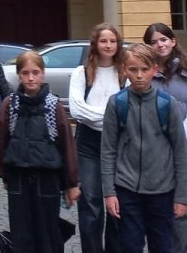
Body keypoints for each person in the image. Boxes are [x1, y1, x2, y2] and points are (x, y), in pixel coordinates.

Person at [101, 44, 187, 253]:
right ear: (124, 69)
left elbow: (180, 151)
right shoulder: (117, 103)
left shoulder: (167, 104)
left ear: (154, 70)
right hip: (126, 189)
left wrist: (182, 196)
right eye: (133, 70)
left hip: (162, 190)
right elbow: (108, 151)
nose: (139, 75)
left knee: (162, 246)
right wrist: (109, 192)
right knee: (130, 246)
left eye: (144, 69)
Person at [0, 51, 80, 253]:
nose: (31, 78)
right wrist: (3, 172)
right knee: (21, 232)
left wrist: (72, 183)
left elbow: (66, 145)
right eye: (25, 73)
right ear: (19, 75)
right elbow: (0, 141)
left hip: (47, 178)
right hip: (18, 178)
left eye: (35, 72)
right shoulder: (10, 104)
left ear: (43, 74)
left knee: (48, 232)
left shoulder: (53, 106)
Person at [143, 23, 187, 253]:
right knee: (155, 210)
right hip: (150, 152)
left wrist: (177, 139)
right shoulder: (143, 73)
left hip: (180, 151)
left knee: (183, 210)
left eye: (163, 40)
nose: (160, 44)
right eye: (154, 41)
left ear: (173, 41)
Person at [69, 23, 125, 253]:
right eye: (104, 41)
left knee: (118, 203)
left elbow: (127, 112)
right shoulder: (81, 73)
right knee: (90, 203)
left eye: (112, 41)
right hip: (88, 144)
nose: (108, 45)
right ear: (96, 44)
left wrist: (102, 118)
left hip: (120, 144)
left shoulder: (124, 73)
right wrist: (110, 116)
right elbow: (76, 110)